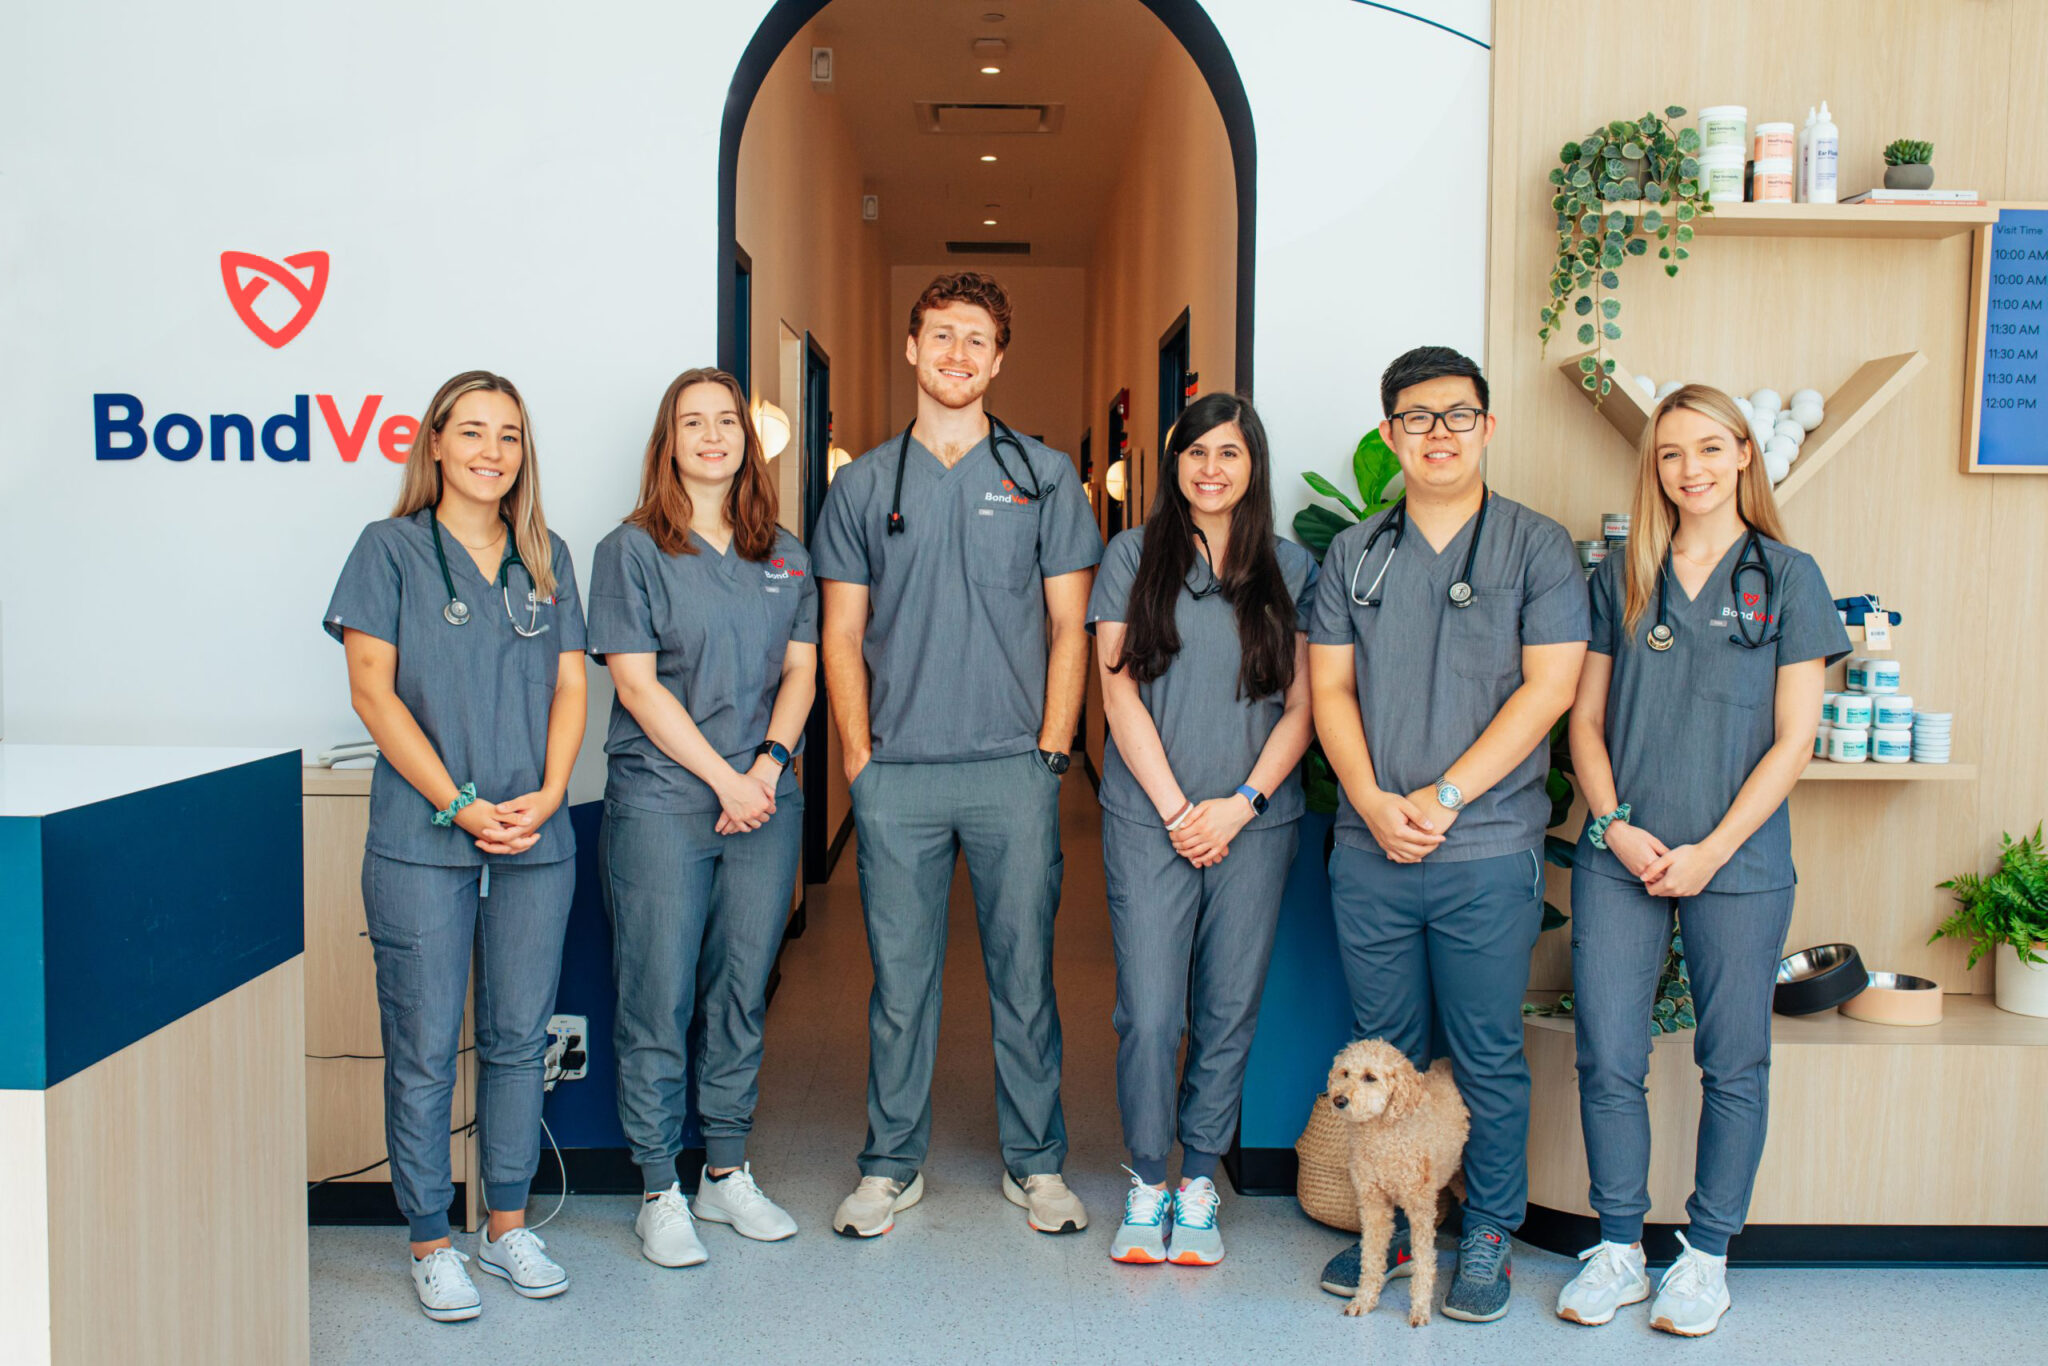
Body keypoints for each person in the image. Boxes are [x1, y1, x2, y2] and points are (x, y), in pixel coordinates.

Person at [813, 271, 1103, 1237]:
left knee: (1026, 977)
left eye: (976, 338)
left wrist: (1053, 752)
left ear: (999, 357)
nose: (956, 354)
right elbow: (839, 636)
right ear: (911, 348)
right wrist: (858, 760)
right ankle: (891, 1164)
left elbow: (1072, 627)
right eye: (940, 335)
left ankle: (1037, 1163)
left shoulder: (1043, 475)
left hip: (1012, 772)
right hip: (897, 774)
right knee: (901, 984)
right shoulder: (861, 486)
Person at [1556, 385, 1847, 1338]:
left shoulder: (1789, 577)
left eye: (1710, 448)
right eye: (1672, 453)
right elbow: (1586, 722)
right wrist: (1617, 827)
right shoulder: (1622, 574)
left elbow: (1794, 740)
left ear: (1744, 458)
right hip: (1622, 856)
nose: (1691, 468)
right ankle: (1617, 1251)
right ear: (1655, 469)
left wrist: (1713, 851)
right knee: (1609, 1055)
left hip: (1742, 862)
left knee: (1735, 1062)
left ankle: (1708, 1257)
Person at [1307, 346, 1588, 1322]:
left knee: (1479, 1054)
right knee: (1384, 1056)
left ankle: (1487, 1236)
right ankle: (1388, 1231)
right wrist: (1375, 801)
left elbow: (1548, 688)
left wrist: (1444, 796)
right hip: (1370, 848)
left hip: (1484, 849)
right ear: (1388, 435)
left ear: (1487, 426)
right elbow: (1329, 688)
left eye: (1456, 414)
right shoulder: (1356, 554)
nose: (1437, 432)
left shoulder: (1535, 548)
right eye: (1416, 417)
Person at [324, 371, 587, 1321]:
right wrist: (461, 805)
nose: (491, 451)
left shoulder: (546, 555)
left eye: (509, 436)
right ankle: (431, 1238)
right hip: (423, 837)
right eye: (472, 432)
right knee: (426, 1046)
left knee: (519, 1040)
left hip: (535, 833)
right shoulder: (388, 551)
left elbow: (568, 690)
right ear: (433, 442)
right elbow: (372, 694)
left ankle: (507, 1224)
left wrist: (551, 794)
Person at [586, 367, 818, 1267]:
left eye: (727, 421)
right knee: (657, 994)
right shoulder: (632, 550)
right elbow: (637, 686)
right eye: (693, 422)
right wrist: (727, 780)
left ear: (746, 441)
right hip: (665, 802)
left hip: (765, 799)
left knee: (741, 989)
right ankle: (658, 1186)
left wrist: (765, 769)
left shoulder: (786, 553)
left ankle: (725, 1173)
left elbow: (802, 673)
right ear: (668, 442)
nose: (713, 436)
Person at [1087, 392, 1316, 1267]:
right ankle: (1148, 1179)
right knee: (1148, 1012)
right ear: (1173, 464)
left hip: (1256, 822)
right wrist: (1182, 811)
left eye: (1229, 453)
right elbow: (1118, 694)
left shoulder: (1292, 568)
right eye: (1194, 453)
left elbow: (1306, 706)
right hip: (1150, 819)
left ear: (1252, 465)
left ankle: (1197, 1186)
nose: (1210, 469)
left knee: (1226, 1010)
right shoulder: (1129, 559)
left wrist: (1242, 805)